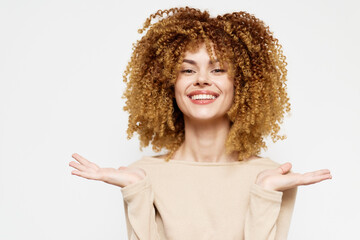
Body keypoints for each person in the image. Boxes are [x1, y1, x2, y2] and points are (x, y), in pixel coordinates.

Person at [69, 7, 332, 240]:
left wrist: (264, 193)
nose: (202, 80)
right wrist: (137, 192)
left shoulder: (272, 178)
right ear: (169, 85)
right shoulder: (142, 176)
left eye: (218, 70)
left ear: (241, 85)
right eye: (187, 70)